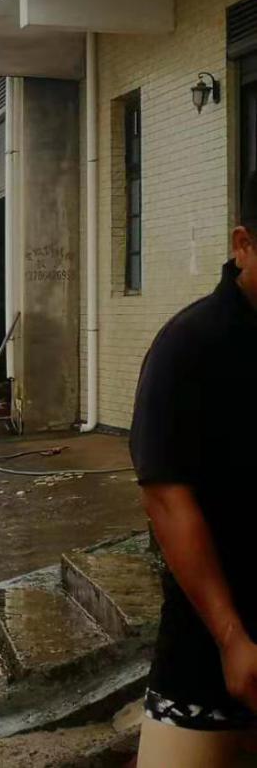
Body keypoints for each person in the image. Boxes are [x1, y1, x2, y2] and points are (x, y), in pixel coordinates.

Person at [131, 173, 257, 767]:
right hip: (211, 644)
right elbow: (167, 498)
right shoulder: (190, 345)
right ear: (243, 244)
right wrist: (232, 636)